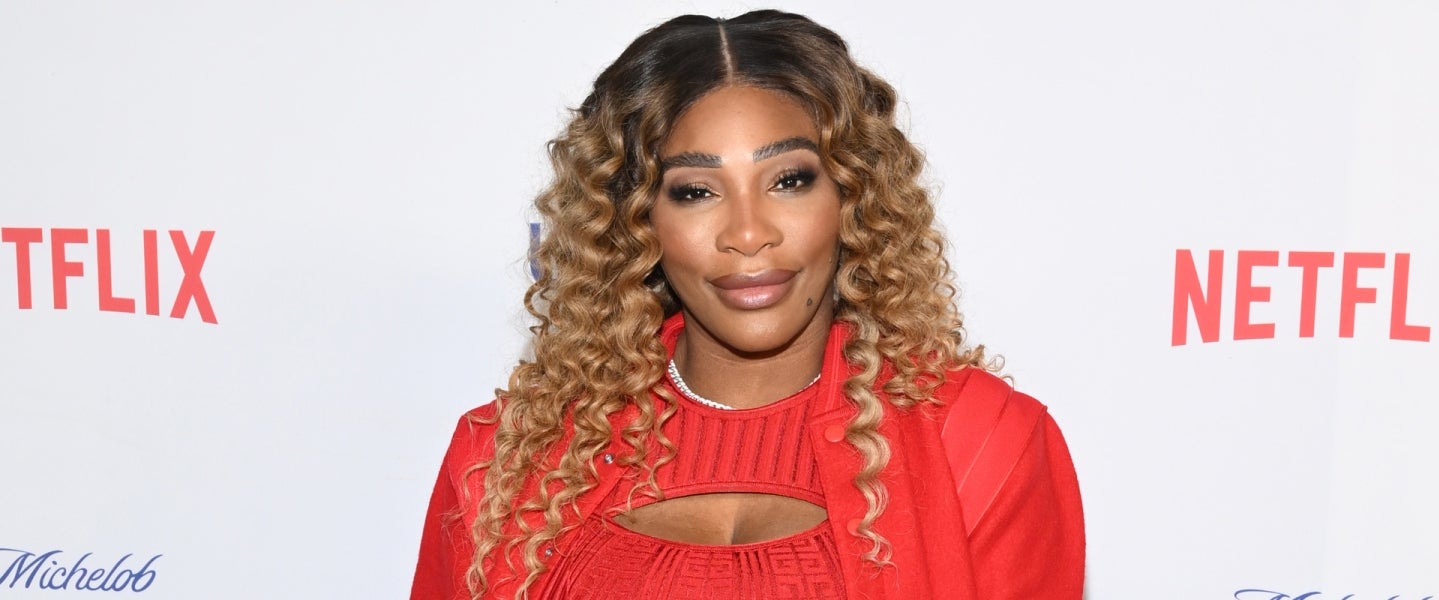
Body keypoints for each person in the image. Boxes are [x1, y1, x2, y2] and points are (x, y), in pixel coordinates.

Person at [411, 9, 1083, 600]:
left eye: (789, 180)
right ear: (636, 222)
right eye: (695, 191)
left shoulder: (981, 442)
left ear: (853, 199)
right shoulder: (507, 459)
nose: (748, 232)